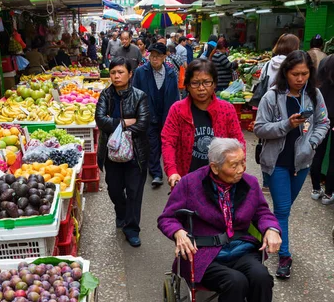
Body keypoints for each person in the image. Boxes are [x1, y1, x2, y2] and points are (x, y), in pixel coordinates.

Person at [158, 137, 283, 302]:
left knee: (261, 277)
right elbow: (167, 218)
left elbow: (262, 212)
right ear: (215, 167)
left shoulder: (249, 183)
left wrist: (271, 228)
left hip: (239, 249)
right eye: (233, 165)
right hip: (202, 255)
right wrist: (179, 232)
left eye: (242, 163)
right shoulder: (190, 184)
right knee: (234, 282)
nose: (241, 170)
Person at [254, 50, 329, 279]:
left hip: (302, 163)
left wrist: (313, 143)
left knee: (284, 209)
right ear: (285, 72)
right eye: (295, 74)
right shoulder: (272, 96)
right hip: (276, 162)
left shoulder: (315, 95)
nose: (300, 79)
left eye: (304, 74)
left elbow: (323, 122)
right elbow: (259, 128)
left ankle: (268, 231)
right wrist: (285, 125)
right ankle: (284, 256)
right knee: (283, 210)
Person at [161, 59, 245, 188]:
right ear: (187, 85)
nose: (201, 88)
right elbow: (168, 142)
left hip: (221, 180)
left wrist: (238, 165)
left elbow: (238, 142)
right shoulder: (177, 110)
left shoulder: (227, 109)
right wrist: (172, 171)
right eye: (195, 83)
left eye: (206, 82)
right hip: (186, 180)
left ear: (214, 84)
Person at [95, 57, 149, 248]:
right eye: (113, 73)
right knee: (114, 189)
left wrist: (117, 128)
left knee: (134, 192)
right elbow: (100, 120)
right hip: (111, 153)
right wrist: (126, 122)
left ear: (130, 74)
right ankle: (121, 210)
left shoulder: (140, 96)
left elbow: (143, 123)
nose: (116, 76)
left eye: (120, 72)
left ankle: (132, 229)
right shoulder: (105, 96)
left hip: (135, 154)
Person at [132, 43, 180, 187]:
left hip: (166, 114)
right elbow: (134, 94)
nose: (155, 59)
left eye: (158, 56)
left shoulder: (171, 73)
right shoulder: (141, 72)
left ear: (165, 57)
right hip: (148, 114)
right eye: (152, 56)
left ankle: (154, 167)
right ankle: (157, 173)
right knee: (153, 143)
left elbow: (175, 96)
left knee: (163, 142)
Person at [310, 54, 334, 204]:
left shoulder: (326, 60)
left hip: (322, 113)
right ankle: (329, 193)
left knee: (318, 153)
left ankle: (315, 189)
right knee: (333, 157)